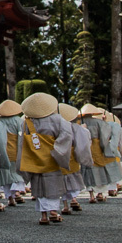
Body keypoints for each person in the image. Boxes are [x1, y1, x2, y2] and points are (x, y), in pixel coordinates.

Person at [19, 92, 73, 225]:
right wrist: (58, 150)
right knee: (53, 185)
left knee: (39, 186)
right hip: (52, 156)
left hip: (35, 156)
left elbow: (22, 142)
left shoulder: (26, 122)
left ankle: (44, 215)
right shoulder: (58, 119)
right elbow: (66, 135)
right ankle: (54, 212)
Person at [57, 103, 92, 215]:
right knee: (73, 177)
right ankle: (74, 199)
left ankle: (65, 205)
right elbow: (84, 142)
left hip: (59, 154)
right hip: (72, 154)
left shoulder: (56, 126)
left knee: (62, 180)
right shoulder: (75, 127)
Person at [79, 103, 112, 204]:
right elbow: (105, 136)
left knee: (88, 170)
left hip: (85, 147)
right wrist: (104, 147)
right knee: (99, 170)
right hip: (96, 146)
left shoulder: (79, 122)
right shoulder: (98, 122)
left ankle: (91, 195)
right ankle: (100, 194)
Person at [0, 99, 27, 205]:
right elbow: (23, 135)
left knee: (6, 175)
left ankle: (10, 198)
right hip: (15, 150)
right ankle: (17, 192)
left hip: (2, 151)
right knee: (16, 172)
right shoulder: (18, 120)